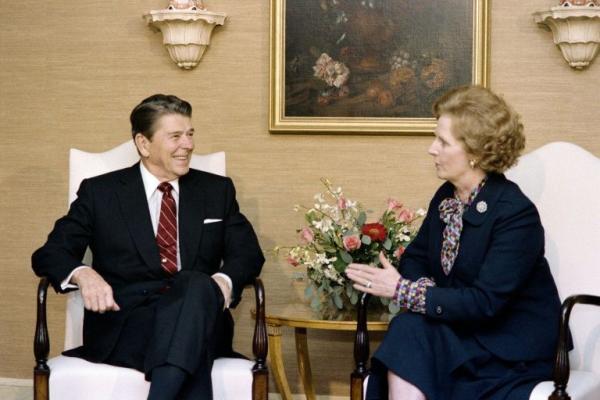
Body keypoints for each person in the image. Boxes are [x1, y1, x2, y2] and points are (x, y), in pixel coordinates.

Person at [32, 94, 265, 400]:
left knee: (196, 285)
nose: (188, 145)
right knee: (188, 341)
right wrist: (82, 273)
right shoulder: (101, 193)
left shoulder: (216, 190)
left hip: (201, 315)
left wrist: (223, 281)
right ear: (143, 144)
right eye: (175, 136)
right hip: (127, 322)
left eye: (190, 134)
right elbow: (50, 253)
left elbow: (248, 253)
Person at [345, 85, 562, 400]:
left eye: (443, 142)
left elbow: (485, 303)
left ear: (475, 153)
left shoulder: (516, 214)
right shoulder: (446, 197)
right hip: (461, 333)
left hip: (506, 348)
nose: (431, 149)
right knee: (408, 328)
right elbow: (415, 257)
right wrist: (422, 288)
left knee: (410, 333)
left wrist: (405, 291)